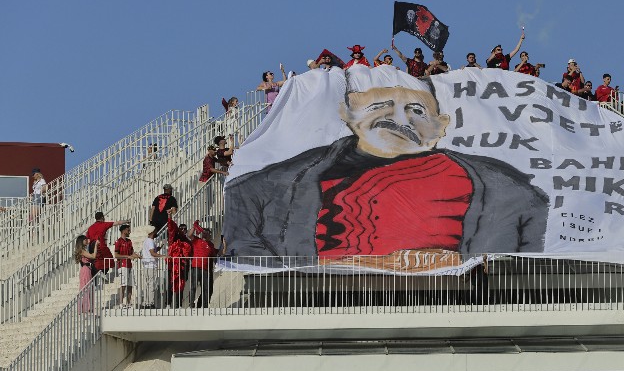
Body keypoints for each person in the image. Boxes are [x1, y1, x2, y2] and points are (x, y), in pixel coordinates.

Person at [224, 66, 549, 259]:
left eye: (416, 111)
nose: (398, 118)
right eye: (380, 106)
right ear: (350, 115)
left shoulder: (514, 193)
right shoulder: (262, 187)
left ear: (440, 126)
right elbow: (244, 237)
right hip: (332, 302)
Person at [86, 212, 129, 279]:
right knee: (109, 260)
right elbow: (117, 223)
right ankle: (102, 273)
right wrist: (126, 221)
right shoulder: (103, 224)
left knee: (97, 261)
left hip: (92, 246)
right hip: (100, 245)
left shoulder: (90, 227)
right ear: (102, 217)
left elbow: (88, 239)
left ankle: (98, 275)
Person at [166, 209, 192, 308]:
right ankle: (168, 304)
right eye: (181, 228)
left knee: (181, 285)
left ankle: (178, 305)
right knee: (171, 284)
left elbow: (189, 253)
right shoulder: (174, 239)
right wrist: (169, 216)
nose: (182, 230)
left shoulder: (187, 241)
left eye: (184, 228)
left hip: (183, 266)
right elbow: (171, 228)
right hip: (173, 265)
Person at [189, 221, 218, 308]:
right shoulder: (197, 240)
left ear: (210, 234)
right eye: (203, 232)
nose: (204, 234)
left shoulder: (211, 245)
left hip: (205, 269)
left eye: (207, 233)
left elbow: (217, 253)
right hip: (196, 266)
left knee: (205, 288)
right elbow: (189, 235)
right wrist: (194, 227)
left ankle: (205, 306)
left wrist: (225, 244)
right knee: (193, 286)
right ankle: (191, 304)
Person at [114, 224, 141, 309]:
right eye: (128, 230)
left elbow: (132, 253)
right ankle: (121, 303)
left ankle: (129, 303)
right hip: (122, 265)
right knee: (123, 284)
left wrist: (138, 256)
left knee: (130, 284)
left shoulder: (129, 241)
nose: (129, 232)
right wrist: (127, 256)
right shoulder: (118, 241)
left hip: (129, 265)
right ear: (124, 230)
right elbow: (116, 255)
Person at [140, 225, 166, 309]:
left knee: (147, 284)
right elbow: (152, 253)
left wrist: (159, 248)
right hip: (151, 265)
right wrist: (163, 256)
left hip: (146, 265)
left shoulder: (146, 241)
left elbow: (152, 251)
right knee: (151, 284)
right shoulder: (150, 241)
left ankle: (145, 302)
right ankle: (150, 302)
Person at [74, 235, 97, 312]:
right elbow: (93, 256)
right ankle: (86, 308)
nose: (86, 240)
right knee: (86, 288)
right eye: (85, 240)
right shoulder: (82, 251)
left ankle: (86, 307)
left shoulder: (82, 250)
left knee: (86, 288)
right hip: (86, 270)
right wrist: (96, 245)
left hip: (86, 269)